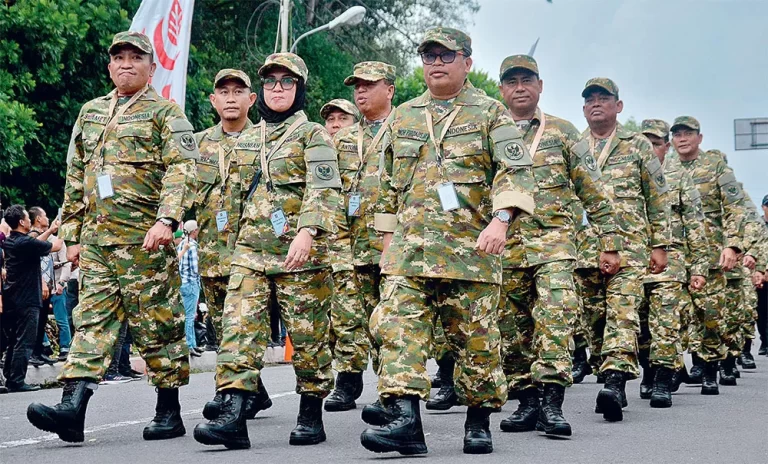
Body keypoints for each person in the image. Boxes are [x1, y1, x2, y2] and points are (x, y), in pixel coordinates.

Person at [360, 27, 536, 455]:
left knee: (476, 345)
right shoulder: (403, 116)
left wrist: (500, 220)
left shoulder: (491, 113)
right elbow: (383, 186)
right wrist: (386, 241)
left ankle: (478, 422)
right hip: (409, 253)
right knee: (399, 333)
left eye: (445, 55)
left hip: (470, 255)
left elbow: (516, 172)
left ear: (467, 62)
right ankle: (405, 422)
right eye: (428, 55)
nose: (436, 63)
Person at [26, 31, 198, 443]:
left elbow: (183, 170)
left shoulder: (166, 113)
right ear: (109, 66)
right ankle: (72, 410)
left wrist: (167, 221)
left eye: (135, 58)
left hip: (146, 242)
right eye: (118, 57)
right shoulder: (91, 112)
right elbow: (76, 173)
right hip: (99, 243)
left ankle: (168, 410)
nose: (125, 64)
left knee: (157, 325)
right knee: (90, 323)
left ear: (151, 67)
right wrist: (73, 234)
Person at [193, 52, 342, 450]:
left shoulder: (313, 134)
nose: (278, 88)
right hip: (249, 255)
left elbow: (324, 188)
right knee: (237, 333)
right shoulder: (245, 138)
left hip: (300, 256)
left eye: (287, 82)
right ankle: (233, 417)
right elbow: (229, 196)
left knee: (308, 342)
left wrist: (308, 232)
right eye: (271, 82)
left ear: (300, 89)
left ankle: (311, 412)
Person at [494, 55, 621, 436]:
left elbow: (593, 191)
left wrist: (610, 243)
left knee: (555, 318)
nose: (520, 87)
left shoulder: (563, 132)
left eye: (527, 80)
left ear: (540, 85)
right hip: (505, 248)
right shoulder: (490, 130)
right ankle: (526, 402)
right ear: (502, 89)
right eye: (512, 81)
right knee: (511, 329)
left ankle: (552, 403)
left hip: (555, 246)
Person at [576, 78, 669, 422]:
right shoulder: (574, 146)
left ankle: (615, 384)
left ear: (619, 106)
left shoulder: (638, 146)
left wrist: (660, 245)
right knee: (595, 322)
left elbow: (657, 198)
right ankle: (607, 372)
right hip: (584, 251)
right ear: (584, 108)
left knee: (623, 315)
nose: (596, 104)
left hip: (630, 250)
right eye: (590, 100)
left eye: (604, 98)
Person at [193, 68, 272, 421]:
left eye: (238, 91)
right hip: (212, 252)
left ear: (251, 99)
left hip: (253, 253)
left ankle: (230, 393)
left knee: (247, 325)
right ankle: (252, 391)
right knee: (222, 325)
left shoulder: (267, 141)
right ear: (213, 100)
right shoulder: (197, 145)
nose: (230, 97)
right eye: (222, 91)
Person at [325, 61, 396, 414]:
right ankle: (348, 382)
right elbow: (330, 192)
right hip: (350, 245)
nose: (361, 91)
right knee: (347, 317)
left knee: (391, 319)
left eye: (369, 84)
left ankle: (392, 390)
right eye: (357, 85)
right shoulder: (346, 139)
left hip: (393, 245)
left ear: (390, 90)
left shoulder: (405, 128)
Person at [638, 119, 709, 407]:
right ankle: (649, 371)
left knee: (665, 323)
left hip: (673, 260)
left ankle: (663, 380)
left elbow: (695, 224)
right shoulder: (627, 174)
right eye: (644, 143)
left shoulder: (679, 178)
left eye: (655, 144)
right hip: (636, 260)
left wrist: (700, 268)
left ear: (666, 147)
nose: (650, 149)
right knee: (640, 325)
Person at [671, 116, 741, 395]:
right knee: (673, 316)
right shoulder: (665, 167)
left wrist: (732, 245)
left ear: (700, 138)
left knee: (710, 315)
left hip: (711, 254)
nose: (682, 138)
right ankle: (674, 368)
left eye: (688, 133)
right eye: (677, 134)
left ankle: (710, 368)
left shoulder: (716, 167)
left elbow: (735, 207)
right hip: (675, 254)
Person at [1, 205, 63, 392]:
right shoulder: (26, 244)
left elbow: (35, 242)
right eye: (28, 218)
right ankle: (17, 380)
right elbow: (56, 246)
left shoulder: (13, 241)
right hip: (28, 298)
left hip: (13, 297)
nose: (30, 220)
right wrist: (65, 230)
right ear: (21, 221)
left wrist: (51, 230)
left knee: (14, 339)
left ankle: (10, 376)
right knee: (25, 341)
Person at [27, 207, 59, 366]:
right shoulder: (33, 237)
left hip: (46, 285)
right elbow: (35, 263)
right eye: (45, 215)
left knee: (42, 320)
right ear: (38, 219)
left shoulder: (42, 236)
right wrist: (43, 283)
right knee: (37, 320)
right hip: (39, 285)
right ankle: (34, 352)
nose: (47, 218)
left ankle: (38, 351)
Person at [177, 220, 202, 357]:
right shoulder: (192, 246)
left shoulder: (182, 244)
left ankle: (192, 344)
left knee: (188, 315)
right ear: (194, 231)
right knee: (190, 316)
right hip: (191, 283)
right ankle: (190, 345)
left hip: (183, 282)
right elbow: (195, 269)